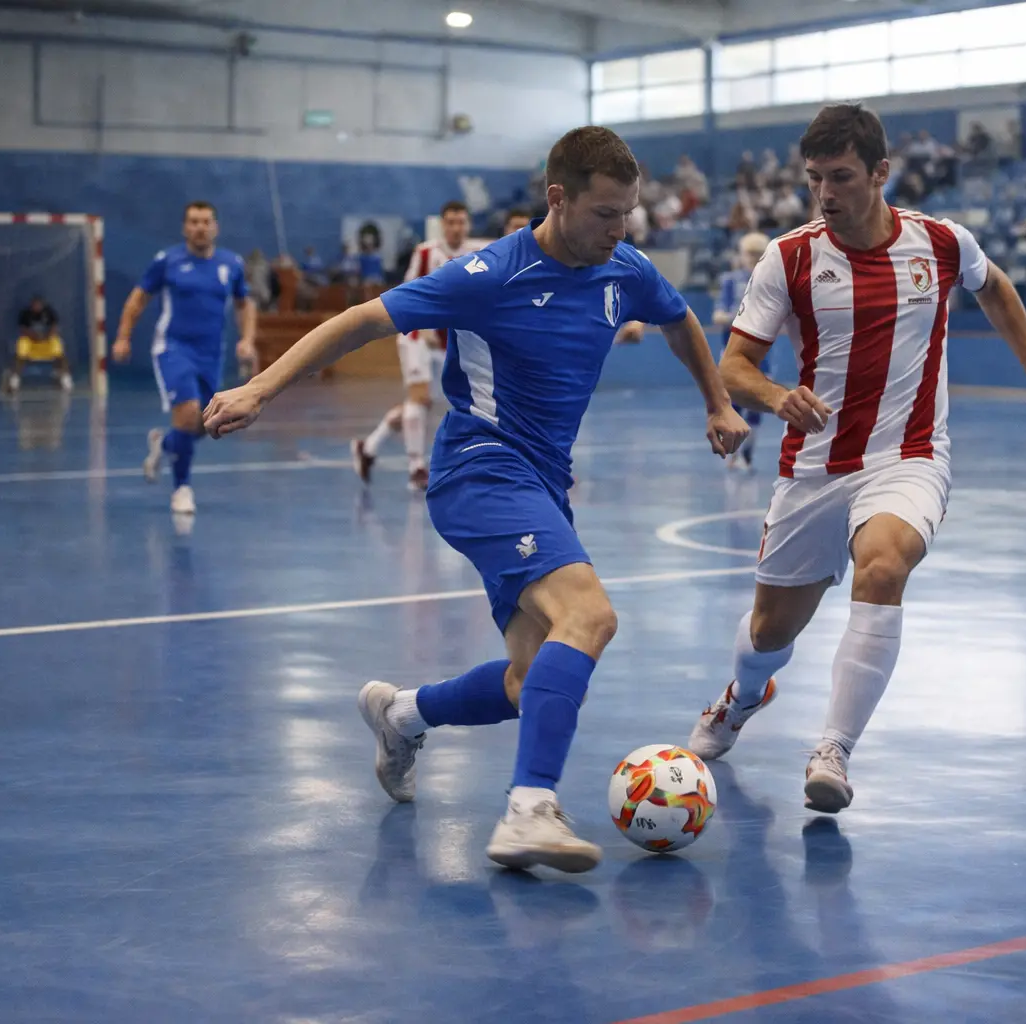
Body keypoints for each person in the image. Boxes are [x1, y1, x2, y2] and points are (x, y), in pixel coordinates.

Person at [203, 126, 748, 872]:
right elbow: (361, 321)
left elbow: (678, 317)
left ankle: (402, 714)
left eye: (627, 213)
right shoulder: (489, 274)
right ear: (557, 199)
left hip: (543, 486)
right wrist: (261, 388)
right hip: (480, 469)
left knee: (528, 681)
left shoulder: (624, 268)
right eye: (605, 214)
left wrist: (716, 402)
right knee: (589, 616)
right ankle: (529, 810)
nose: (620, 229)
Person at [684, 104, 1026, 813]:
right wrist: (778, 397)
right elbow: (733, 367)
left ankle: (833, 750)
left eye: (841, 177)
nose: (825, 194)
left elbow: (996, 287)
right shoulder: (789, 257)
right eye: (815, 178)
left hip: (910, 456)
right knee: (769, 632)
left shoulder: (940, 242)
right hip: (815, 468)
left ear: (881, 172)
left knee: (882, 566)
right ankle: (743, 695)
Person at [112, 201, 256, 515]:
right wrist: (123, 337)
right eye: (193, 221)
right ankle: (182, 489)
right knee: (188, 413)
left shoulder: (231, 264)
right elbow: (138, 299)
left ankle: (164, 445)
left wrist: (246, 339)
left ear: (215, 227)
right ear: (184, 228)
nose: (200, 227)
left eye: (205, 221)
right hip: (173, 349)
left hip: (211, 355)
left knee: (207, 423)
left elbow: (244, 304)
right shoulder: (167, 261)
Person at [351, 200, 486, 490]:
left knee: (422, 403)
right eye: (451, 222)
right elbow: (408, 292)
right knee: (420, 397)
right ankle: (417, 469)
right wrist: (422, 325)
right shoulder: (426, 252)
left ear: (468, 224)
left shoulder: (477, 253)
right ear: (442, 225)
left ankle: (368, 447)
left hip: (447, 341)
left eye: (461, 222)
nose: (456, 228)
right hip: (418, 335)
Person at [712, 231, 771, 470]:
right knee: (733, 403)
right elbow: (718, 315)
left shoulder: (770, 281)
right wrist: (737, 318)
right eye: (750, 254)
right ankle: (733, 452)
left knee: (756, 404)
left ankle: (748, 454)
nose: (753, 259)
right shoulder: (731, 280)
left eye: (758, 254)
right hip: (732, 353)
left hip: (759, 355)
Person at [6, 295, 72, 393]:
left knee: (57, 345)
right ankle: (14, 381)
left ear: (42, 305)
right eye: (35, 305)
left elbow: (54, 327)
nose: (37, 307)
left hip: (46, 343)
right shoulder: (25, 314)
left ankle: (65, 378)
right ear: (32, 305)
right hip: (32, 343)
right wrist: (34, 336)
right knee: (22, 345)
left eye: (39, 305)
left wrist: (46, 336)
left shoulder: (49, 313)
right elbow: (23, 329)